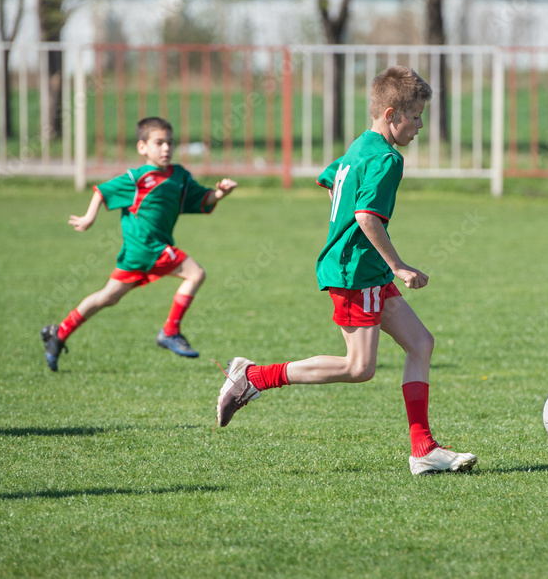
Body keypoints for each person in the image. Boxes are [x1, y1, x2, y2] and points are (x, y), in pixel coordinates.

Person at [215, 67, 477, 475]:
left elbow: (329, 178)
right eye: (416, 116)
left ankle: (423, 448)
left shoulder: (359, 148)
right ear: (392, 114)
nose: (420, 125)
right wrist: (400, 265)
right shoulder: (388, 159)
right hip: (357, 271)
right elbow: (367, 215)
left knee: (421, 344)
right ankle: (253, 377)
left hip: (361, 269)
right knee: (359, 368)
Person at [41, 116, 237, 370]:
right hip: (147, 247)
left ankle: (58, 333)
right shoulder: (137, 179)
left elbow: (203, 198)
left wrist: (221, 192)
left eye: (170, 142)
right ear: (142, 147)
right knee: (196, 274)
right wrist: (89, 217)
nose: (166, 148)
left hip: (141, 254)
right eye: (159, 143)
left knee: (107, 297)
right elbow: (102, 191)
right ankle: (170, 331)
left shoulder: (180, 176)